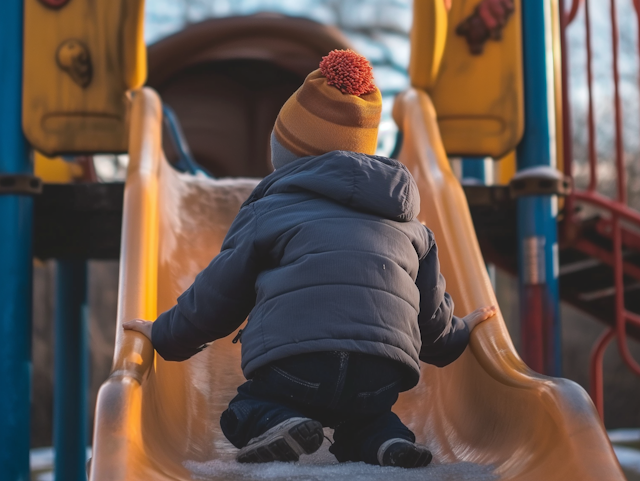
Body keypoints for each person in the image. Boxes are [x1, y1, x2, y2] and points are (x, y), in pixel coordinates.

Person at [124, 49, 496, 468]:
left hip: (294, 367)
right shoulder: (413, 228)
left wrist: (166, 335)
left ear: (287, 154)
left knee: (245, 410)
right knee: (370, 415)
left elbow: (218, 295)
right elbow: (435, 332)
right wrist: (465, 330)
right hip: (380, 374)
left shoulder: (269, 211)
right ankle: (383, 440)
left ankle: (279, 420)